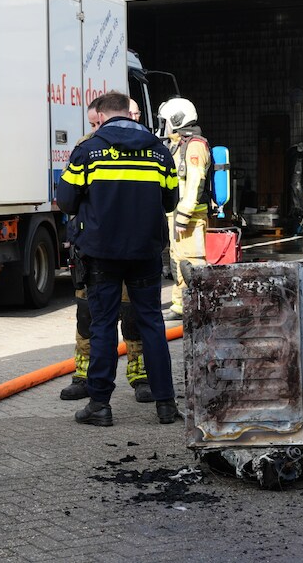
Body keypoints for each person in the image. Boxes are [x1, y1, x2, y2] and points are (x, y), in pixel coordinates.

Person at [56, 91, 180, 427]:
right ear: (130, 113)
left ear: (103, 115)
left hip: (102, 255)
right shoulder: (159, 151)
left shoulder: (88, 150)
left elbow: (65, 200)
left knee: (103, 327)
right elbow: (170, 202)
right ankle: (165, 404)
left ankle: (100, 406)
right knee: (152, 324)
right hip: (145, 253)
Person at [61, 96, 151, 404]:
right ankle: (83, 376)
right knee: (87, 316)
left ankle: (140, 376)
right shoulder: (85, 147)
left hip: (129, 247)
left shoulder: (144, 147)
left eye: (98, 122)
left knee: (133, 316)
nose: (97, 128)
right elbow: (68, 198)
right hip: (93, 248)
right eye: (93, 124)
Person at [158, 97, 211, 321]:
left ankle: (199, 306)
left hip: (191, 217)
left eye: (166, 121)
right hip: (179, 215)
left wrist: (184, 214)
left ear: (177, 119)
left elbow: (195, 182)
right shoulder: (179, 144)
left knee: (193, 262)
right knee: (178, 260)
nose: (164, 126)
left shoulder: (195, 145)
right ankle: (181, 305)